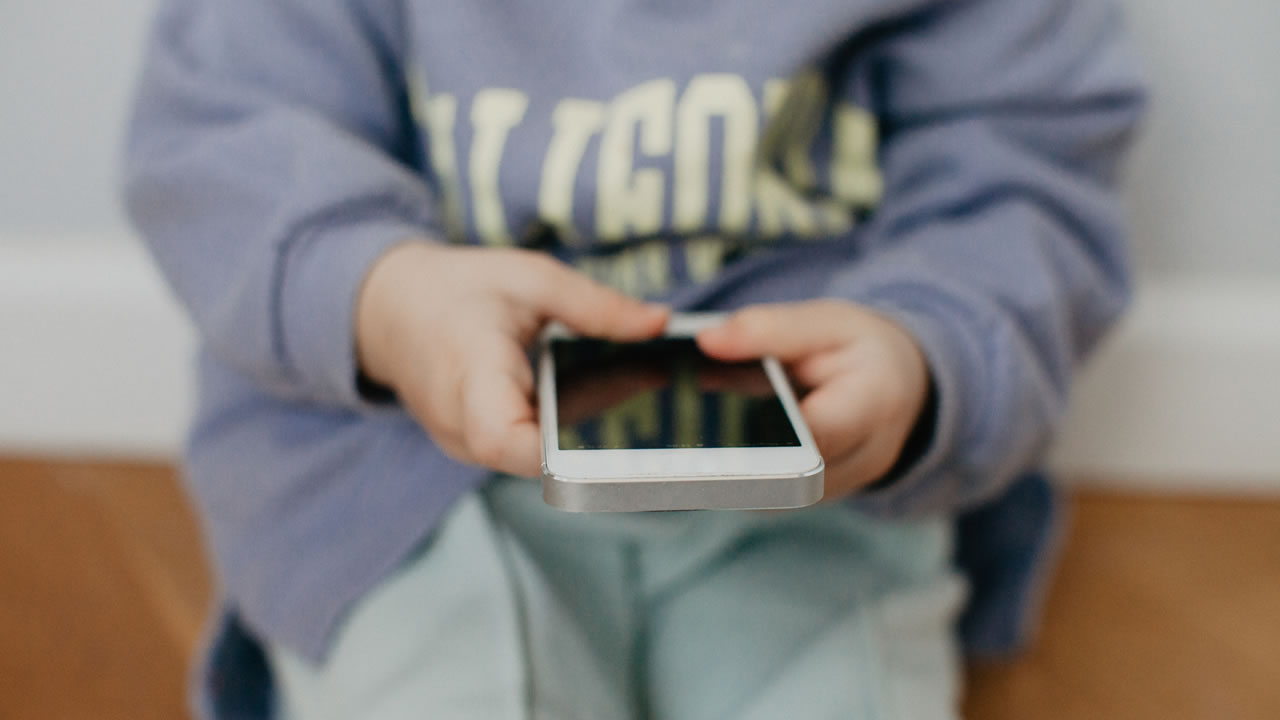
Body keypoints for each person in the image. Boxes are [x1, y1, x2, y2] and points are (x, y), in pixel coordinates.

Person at [124, 0, 1145, 717]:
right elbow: (225, 138)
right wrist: (385, 296)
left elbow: (1023, 170)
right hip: (401, 494)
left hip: (813, 495)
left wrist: (926, 346)